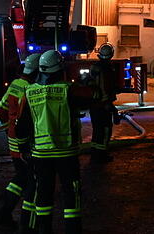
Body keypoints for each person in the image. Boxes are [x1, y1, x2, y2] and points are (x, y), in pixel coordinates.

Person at [15, 50, 93, 234]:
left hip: (40, 154)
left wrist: (24, 148)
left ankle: (44, 229)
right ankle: (73, 230)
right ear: (60, 69)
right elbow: (90, 99)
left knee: (43, 193)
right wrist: (88, 82)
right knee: (71, 193)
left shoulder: (29, 92)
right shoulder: (69, 90)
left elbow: (22, 126)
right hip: (67, 153)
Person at [0, 52, 40, 227]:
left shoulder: (15, 84)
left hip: (13, 140)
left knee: (21, 176)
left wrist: (9, 129)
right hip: (26, 142)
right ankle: (24, 223)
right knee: (31, 181)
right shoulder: (30, 88)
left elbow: (1, 109)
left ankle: (4, 211)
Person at [85, 43, 119, 163]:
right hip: (103, 105)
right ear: (111, 55)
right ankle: (102, 155)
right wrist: (109, 105)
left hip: (94, 105)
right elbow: (106, 87)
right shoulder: (107, 69)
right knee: (105, 130)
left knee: (97, 130)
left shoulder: (94, 67)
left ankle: (94, 154)